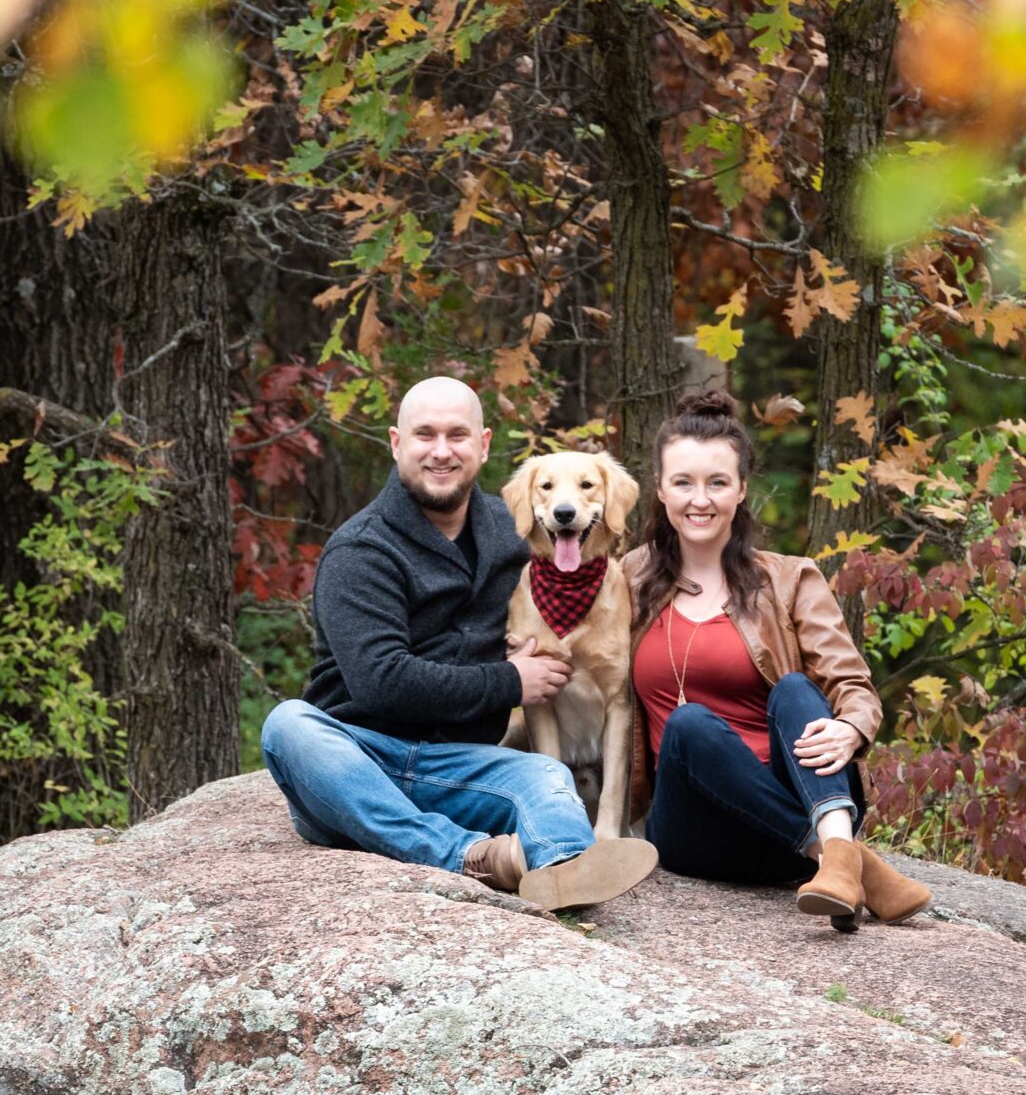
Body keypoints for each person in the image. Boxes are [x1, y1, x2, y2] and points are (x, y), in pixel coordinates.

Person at [259, 376, 659, 910]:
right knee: (288, 726)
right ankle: (473, 855)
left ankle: (567, 864)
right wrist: (509, 677)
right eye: (425, 435)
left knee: (546, 771)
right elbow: (382, 683)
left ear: (484, 444)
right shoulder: (359, 550)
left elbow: (585, 565)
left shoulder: (509, 529)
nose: (442, 451)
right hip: (358, 763)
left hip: (464, 766)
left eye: (457, 435)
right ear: (397, 443)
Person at [621, 387, 932, 929]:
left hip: (788, 813)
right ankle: (848, 861)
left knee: (794, 689)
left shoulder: (790, 578)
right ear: (660, 490)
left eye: (718, 482)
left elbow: (852, 685)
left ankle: (836, 858)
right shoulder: (625, 581)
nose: (701, 499)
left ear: (741, 489)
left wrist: (854, 729)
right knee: (689, 724)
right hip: (694, 833)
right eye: (684, 482)